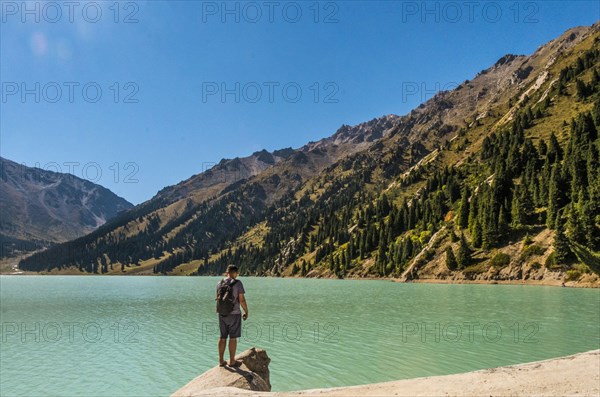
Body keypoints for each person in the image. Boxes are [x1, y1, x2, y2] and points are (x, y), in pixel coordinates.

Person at [216, 264, 248, 367]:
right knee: (233, 338)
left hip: (222, 313)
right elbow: (241, 299)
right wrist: (246, 311)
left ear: (227, 272)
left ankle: (221, 361)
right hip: (234, 314)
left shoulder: (219, 283)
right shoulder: (238, 283)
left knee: (222, 337)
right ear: (235, 273)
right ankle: (232, 361)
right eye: (236, 273)